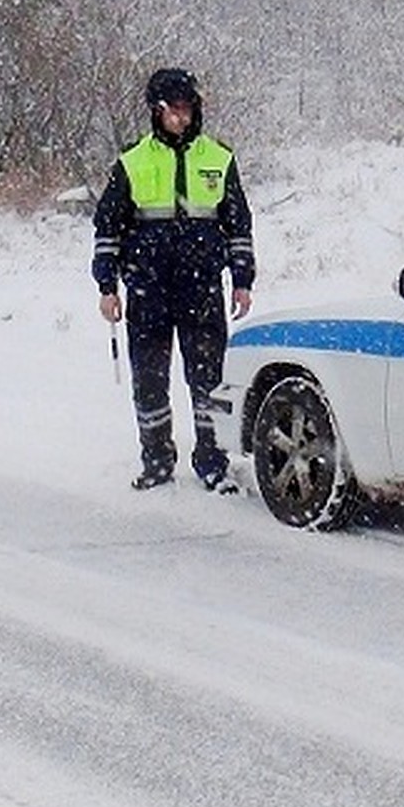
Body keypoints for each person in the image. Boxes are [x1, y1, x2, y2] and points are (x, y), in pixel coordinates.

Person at [92, 67, 255, 492]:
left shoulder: (218, 158)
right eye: (175, 110)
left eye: (189, 109)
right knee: (150, 380)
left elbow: (238, 225)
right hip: (148, 291)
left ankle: (212, 462)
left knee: (208, 381)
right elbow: (108, 228)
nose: (183, 118)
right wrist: (107, 286)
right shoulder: (132, 162)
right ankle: (158, 460)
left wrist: (242, 280)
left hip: (200, 290)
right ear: (156, 111)